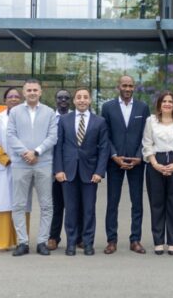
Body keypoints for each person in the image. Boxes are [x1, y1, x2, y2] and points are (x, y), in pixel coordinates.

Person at [54, 88, 110, 256]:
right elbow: (58, 146)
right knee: (70, 210)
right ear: (74, 101)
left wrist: (99, 172)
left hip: (90, 173)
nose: (82, 100)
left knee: (88, 210)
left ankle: (88, 243)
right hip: (68, 172)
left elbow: (104, 148)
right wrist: (58, 169)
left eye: (85, 97)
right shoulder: (64, 120)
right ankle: (71, 243)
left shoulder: (99, 121)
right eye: (79, 97)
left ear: (90, 100)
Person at [7, 79, 58, 256]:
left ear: (40, 92)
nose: (32, 93)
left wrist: (36, 152)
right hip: (20, 164)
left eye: (35, 90)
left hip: (43, 163)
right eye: (29, 90)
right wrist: (25, 153)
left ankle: (42, 241)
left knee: (46, 205)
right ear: (24, 92)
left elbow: (53, 136)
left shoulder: (49, 112)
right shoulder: (15, 112)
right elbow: (10, 135)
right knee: (19, 204)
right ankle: (22, 242)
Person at [101, 75, 150, 255]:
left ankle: (135, 240)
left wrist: (139, 156)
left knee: (137, 202)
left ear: (134, 87)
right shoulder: (108, 107)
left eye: (130, 86)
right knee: (112, 202)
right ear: (118, 87)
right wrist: (114, 155)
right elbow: (105, 134)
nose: (128, 88)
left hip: (136, 162)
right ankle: (111, 240)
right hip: (115, 161)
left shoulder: (142, 107)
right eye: (124, 85)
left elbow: (147, 134)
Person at [142, 91, 173, 255]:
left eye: (170, 101)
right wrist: (155, 164)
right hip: (156, 162)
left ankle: (172, 241)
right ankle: (158, 241)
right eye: (164, 101)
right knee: (156, 204)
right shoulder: (151, 121)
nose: (167, 104)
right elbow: (147, 143)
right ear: (159, 104)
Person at [0, 87, 32, 251]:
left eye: (16, 96)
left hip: (24, 166)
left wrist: (25, 158)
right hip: (4, 167)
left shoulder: (28, 118)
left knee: (22, 205)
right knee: (3, 204)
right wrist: (7, 161)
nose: (13, 99)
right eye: (10, 96)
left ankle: (21, 241)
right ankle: (1, 242)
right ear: (5, 100)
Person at [47, 89, 74, 251]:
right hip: (53, 167)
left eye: (66, 98)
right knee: (57, 206)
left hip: (73, 167)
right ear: (55, 100)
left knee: (75, 205)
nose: (63, 100)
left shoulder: (76, 117)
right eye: (60, 98)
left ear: (70, 101)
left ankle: (77, 238)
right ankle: (53, 237)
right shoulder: (49, 117)